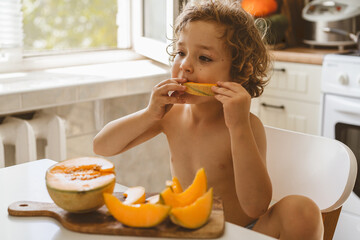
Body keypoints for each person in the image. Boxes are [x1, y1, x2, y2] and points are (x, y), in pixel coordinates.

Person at [93, 0, 324, 239]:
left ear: (239, 70)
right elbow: (102, 146)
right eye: (181, 53)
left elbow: (256, 207)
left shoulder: (246, 124)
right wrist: (149, 113)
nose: (185, 66)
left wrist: (238, 126)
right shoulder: (169, 115)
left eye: (204, 58)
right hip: (186, 229)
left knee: (301, 210)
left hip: (241, 233)